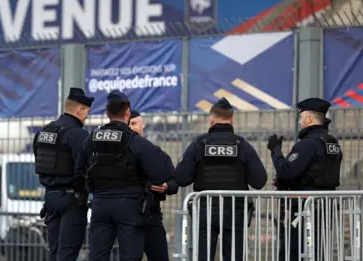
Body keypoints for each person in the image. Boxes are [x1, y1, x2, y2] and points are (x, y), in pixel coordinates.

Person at [74, 90, 173, 261]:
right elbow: (160, 175)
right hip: (129, 206)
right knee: (130, 256)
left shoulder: (92, 139)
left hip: (100, 204)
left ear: (107, 113)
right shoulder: (136, 142)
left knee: (97, 256)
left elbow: (78, 173)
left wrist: (86, 195)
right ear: (127, 112)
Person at [175, 97, 267, 261]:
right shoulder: (242, 145)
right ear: (232, 119)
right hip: (235, 211)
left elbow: (181, 178)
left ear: (211, 120)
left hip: (205, 210)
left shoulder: (199, 144)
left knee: (203, 256)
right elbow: (259, 181)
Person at [268, 98, 342, 261]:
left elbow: (287, 171)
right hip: (324, 209)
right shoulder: (333, 144)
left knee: (293, 253)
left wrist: (275, 151)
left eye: (301, 117)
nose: (299, 122)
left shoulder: (308, 144)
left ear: (309, 119)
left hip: (305, 210)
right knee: (317, 253)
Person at [33, 87, 93, 261]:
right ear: (79, 110)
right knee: (67, 253)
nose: (87, 116)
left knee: (54, 252)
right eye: (87, 112)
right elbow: (86, 168)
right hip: (72, 200)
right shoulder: (78, 135)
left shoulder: (43, 132)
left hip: (50, 199)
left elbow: (40, 161)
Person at [129, 110, 179, 261]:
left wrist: (166, 187)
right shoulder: (119, 156)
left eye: (134, 123)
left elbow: (174, 181)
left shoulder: (157, 153)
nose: (131, 128)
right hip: (127, 219)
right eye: (128, 124)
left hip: (151, 217)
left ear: (143, 123)